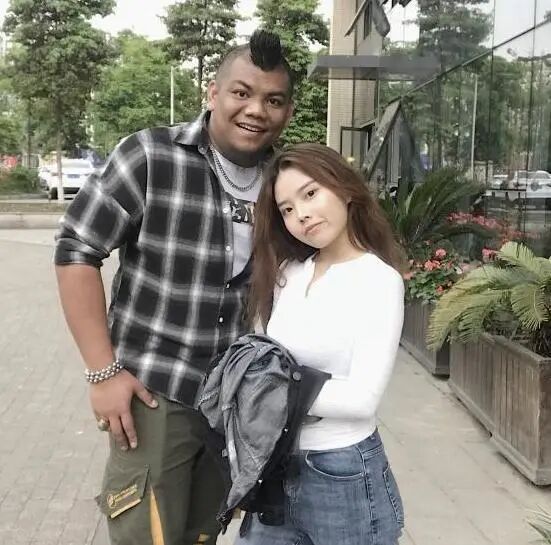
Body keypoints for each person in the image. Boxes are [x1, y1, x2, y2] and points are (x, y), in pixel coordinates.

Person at [54, 30, 294, 545]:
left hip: (231, 403)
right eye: (242, 92)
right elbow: (77, 248)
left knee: (202, 535)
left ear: (287, 111)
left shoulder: (286, 182)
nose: (256, 110)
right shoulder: (151, 155)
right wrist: (102, 373)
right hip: (155, 394)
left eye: (273, 100)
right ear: (213, 92)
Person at [240, 143, 406, 545]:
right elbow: (262, 357)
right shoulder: (287, 273)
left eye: (310, 193)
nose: (301, 214)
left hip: (342, 474)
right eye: (287, 209)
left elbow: (361, 399)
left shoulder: (378, 281)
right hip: (276, 464)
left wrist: (268, 389)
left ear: (344, 188)